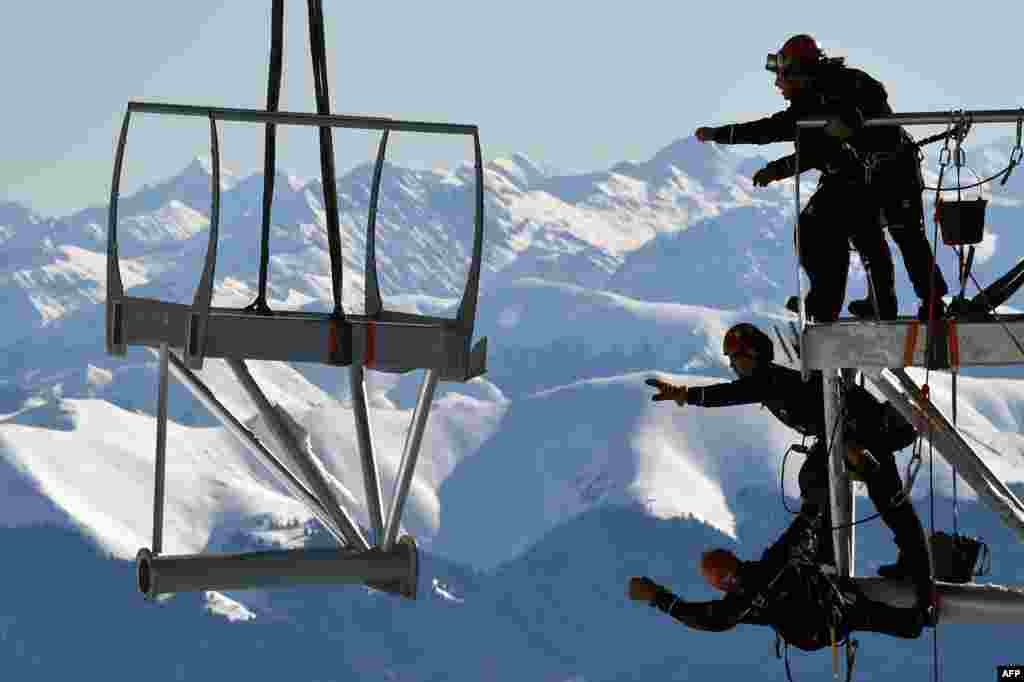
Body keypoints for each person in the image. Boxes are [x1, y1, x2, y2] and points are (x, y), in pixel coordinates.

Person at [644, 322, 935, 617]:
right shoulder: (769, 381)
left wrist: (685, 394)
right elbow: (740, 392)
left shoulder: (768, 380)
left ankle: (918, 580)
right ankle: (857, 557)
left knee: (871, 496)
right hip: (846, 434)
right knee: (853, 492)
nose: (732, 364)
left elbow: (731, 394)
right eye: (730, 359)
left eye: (736, 357)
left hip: (863, 431)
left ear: (755, 355)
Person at [694, 34, 948, 321]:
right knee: (849, 233)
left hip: (894, 170)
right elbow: (773, 132)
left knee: (905, 235)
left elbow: (874, 98)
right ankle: (862, 304)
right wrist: (720, 135)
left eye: (781, 77)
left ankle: (929, 302)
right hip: (858, 176)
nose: (777, 84)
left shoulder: (849, 82)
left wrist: (852, 118)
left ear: (798, 73)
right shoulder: (807, 105)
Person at [626, 513, 930, 650]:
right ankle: (916, 617)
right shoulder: (769, 566)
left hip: (818, 630)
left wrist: (658, 597)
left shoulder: (739, 604)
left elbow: (707, 619)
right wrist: (813, 509)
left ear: (719, 585)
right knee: (865, 612)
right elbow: (797, 533)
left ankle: (915, 620)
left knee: (866, 614)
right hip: (832, 612)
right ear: (734, 558)